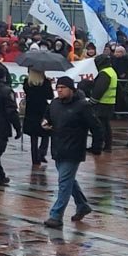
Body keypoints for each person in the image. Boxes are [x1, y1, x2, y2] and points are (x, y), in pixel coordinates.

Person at [42, 76, 102, 228]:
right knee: (68, 180)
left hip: (74, 149)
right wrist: (45, 123)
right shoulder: (54, 104)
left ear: (71, 89)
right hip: (58, 148)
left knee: (64, 182)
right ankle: (82, 205)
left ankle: (56, 215)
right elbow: (47, 117)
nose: (60, 90)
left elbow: (96, 126)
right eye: (58, 87)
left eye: (63, 87)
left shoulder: (82, 106)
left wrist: (96, 146)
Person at [22, 68, 53, 166]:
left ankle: (35, 159)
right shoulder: (45, 82)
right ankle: (42, 153)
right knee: (45, 133)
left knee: (33, 137)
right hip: (43, 110)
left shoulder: (27, 83)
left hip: (31, 110)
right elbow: (50, 96)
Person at [89, 54, 118, 154]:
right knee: (106, 126)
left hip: (102, 103)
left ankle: (98, 146)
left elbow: (99, 89)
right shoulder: (111, 71)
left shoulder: (104, 73)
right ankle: (107, 146)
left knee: (99, 126)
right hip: (109, 102)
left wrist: (92, 101)